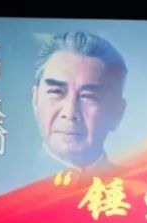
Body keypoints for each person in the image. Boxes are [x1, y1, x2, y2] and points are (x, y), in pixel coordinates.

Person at [31, 31, 127, 173]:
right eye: (56, 92)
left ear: (117, 113)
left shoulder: (144, 184)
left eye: (87, 96)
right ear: (35, 99)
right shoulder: (3, 180)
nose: (70, 113)